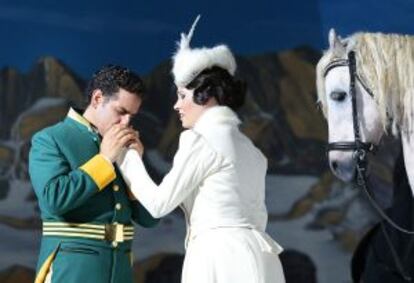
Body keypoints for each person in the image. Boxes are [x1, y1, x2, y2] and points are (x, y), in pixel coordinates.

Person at [117, 16, 286, 283]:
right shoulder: (252, 150)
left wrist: (127, 157)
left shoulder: (201, 139)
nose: (176, 106)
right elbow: (257, 215)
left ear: (204, 95)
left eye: (182, 95)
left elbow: (159, 204)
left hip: (218, 258)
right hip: (260, 256)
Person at [29, 65, 159, 283]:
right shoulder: (50, 139)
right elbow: (54, 199)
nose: (126, 123)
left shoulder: (124, 147)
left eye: (131, 116)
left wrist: (135, 169)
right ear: (98, 98)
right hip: (72, 270)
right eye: (121, 112)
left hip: (121, 270)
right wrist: (104, 160)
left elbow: (151, 218)